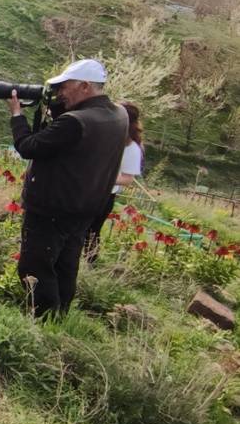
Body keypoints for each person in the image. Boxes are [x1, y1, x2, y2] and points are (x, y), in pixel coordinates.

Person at [9, 58, 128, 316]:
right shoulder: (119, 114)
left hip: (52, 206)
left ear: (84, 86)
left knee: (35, 267)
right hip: (85, 207)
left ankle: (43, 317)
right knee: (65, 265)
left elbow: (28, 147)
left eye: (65, 86)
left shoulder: (76, 121)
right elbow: (76, 146)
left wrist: (17, 115)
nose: (60, 92)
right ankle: (60, 316)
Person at [84, 101, 144, 265]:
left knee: (91, 232)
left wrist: (101, 176)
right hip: (84, 189)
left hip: (103, 195)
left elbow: (127, 179)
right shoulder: (106, 136)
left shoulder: (132, 148)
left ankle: (89, 264)